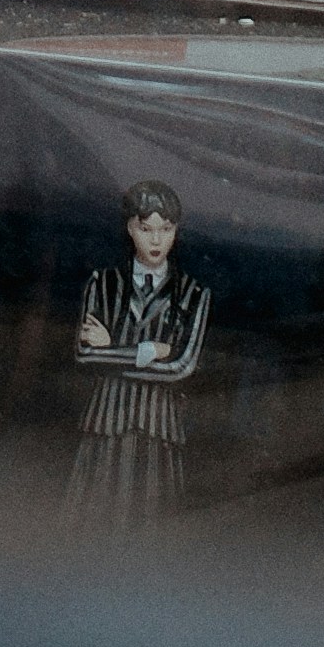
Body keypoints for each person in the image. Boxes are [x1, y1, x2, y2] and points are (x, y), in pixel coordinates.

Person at [68, 182, 212, 526]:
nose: (157, 240)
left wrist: (112, 351)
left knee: (152, 532)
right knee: (91, 526)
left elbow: (182, 366)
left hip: (158, 426)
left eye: (166, 229)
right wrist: (150, 351)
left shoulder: (193, 294)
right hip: (106, 422)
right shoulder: (101, 284)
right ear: (130, 228)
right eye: (146, 229)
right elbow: (85, 355)